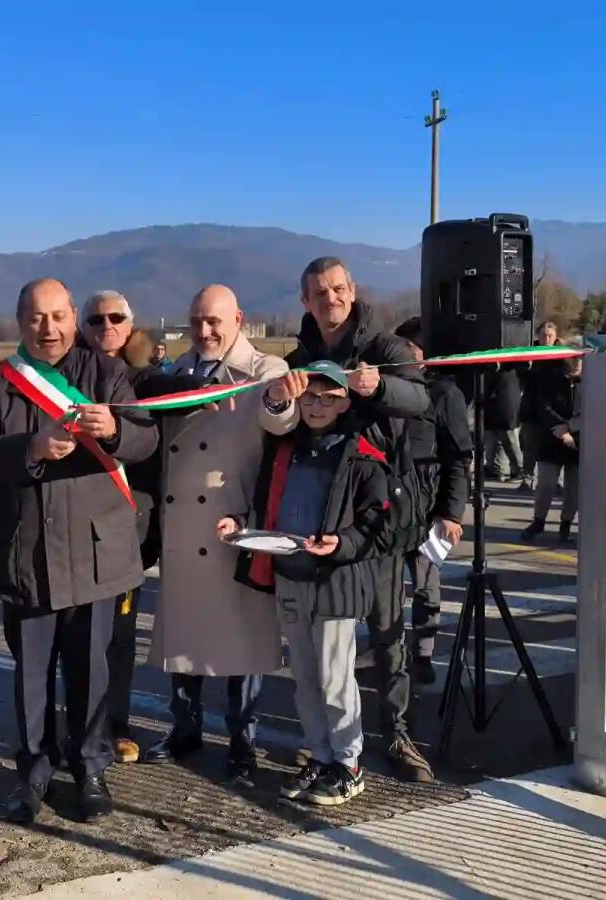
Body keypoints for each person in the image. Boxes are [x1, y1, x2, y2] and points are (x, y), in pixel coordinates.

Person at [0, 278, 158, 824]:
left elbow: (147, 440)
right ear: (20, 322)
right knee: (31, 671)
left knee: (90, 667)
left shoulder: (107, 373)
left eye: (57, 316)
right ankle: (33, 772)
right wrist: (31, 448)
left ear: (73, 316)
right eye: (35, 318)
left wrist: (116, 429)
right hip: (24, 552)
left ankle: (90, 768)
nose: (48, 328)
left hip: (96, 553)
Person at [285, 257, 433, 784]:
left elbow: (419, 399)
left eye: (338, 289)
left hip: (380, 509)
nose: (331, 299)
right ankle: (327, 745)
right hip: (326, 510)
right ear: (305, 300)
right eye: (319, 292)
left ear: (353, 290)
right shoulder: (301, 353)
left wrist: (378, 388)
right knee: (324, 638)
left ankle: (395, 732)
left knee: (387, 629)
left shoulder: (385, 347)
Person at [144, 284, 300, 782]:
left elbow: (282, 422)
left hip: (233, 526)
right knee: (184, 635)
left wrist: (278, 403)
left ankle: (242, 739)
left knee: (242, 642)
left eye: (214, 321)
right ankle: (184, 728)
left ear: (238, 318)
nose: (205, 331)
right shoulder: (174, 374)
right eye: (197, 322)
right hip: (182, 528)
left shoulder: (264, 373)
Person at [225, 363, 391, 806]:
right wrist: (242, 525)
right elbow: (265, 501)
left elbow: (379, 521)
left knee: (335, 678)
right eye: (310, 397)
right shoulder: (285, 448)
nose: (318, 406)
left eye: (329, 398)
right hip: (290, 574)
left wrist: (343, 543)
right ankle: (320, 754)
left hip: (335, 581)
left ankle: (349, 762)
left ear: (346, 402)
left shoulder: (361, 455)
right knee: (303, 677)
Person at [79, 290, 207, 765]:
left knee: (119, 632)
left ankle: (117, 723)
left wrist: (203, 388)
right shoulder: (67, 375)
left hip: (130, 527)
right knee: (74, 635)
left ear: (130, 326)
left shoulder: (144, 378)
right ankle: (75, 723)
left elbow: (178, 391)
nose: (106, 325)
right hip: (74, 524)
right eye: (95, 318)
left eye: (116, 318)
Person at [392, 318, 472, 685]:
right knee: (386, 587)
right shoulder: (388, 388)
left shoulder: (445, 394)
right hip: (387, 506)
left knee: (425, 583)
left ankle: (423, 654)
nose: (403, 353)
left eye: (410, 347)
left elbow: (458, 458)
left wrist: (451, 513)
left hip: (427, 508)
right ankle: (389, 652)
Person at [520, 346, 582, 544]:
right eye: (574, 359)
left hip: (580, 440)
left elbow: (592, 410)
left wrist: (570, 427)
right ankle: (538, 521)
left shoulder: (591, 384)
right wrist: (560, 429)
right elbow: (543, 407)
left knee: (574, 488)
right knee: (546, 484)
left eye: (581, 359)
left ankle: (566, 525)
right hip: (551, 437)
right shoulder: (551, 380)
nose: (577, 363)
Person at [517, 321, 559, 493]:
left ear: (556, 337)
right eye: (543, 335)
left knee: (554, 446)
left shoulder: (561, 355)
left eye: (550, 336)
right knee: (530, 446)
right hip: (532, 407)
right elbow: (520, 374)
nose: (546, 339)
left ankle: (554, 480)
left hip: (554, 408)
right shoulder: (530, 354)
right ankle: (527, 478)